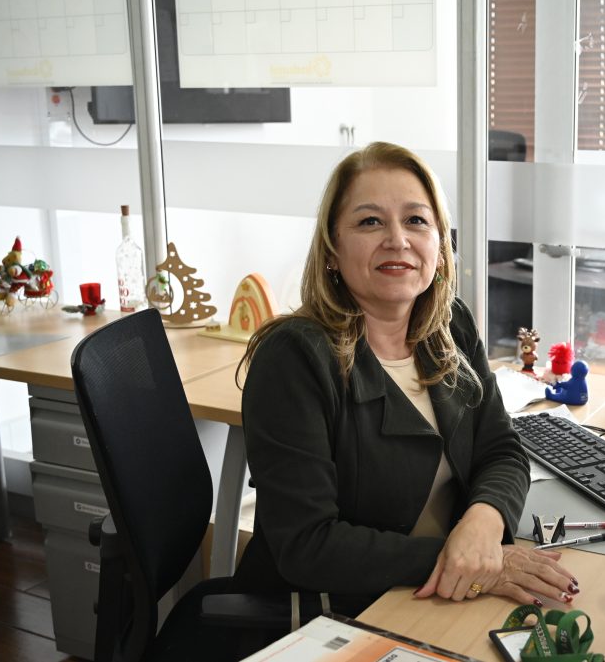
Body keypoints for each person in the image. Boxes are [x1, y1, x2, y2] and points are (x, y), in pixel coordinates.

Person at [235, 142, 578, 619]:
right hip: (330, 612)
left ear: (439, 245)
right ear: (332, 249)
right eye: (369, 222)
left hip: (435, 594)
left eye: (416, 220)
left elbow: (501, 449)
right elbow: (307, 546)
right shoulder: (293, 358)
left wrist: (483, 524)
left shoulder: (449, 325)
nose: (397, 240)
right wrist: (476, 563)